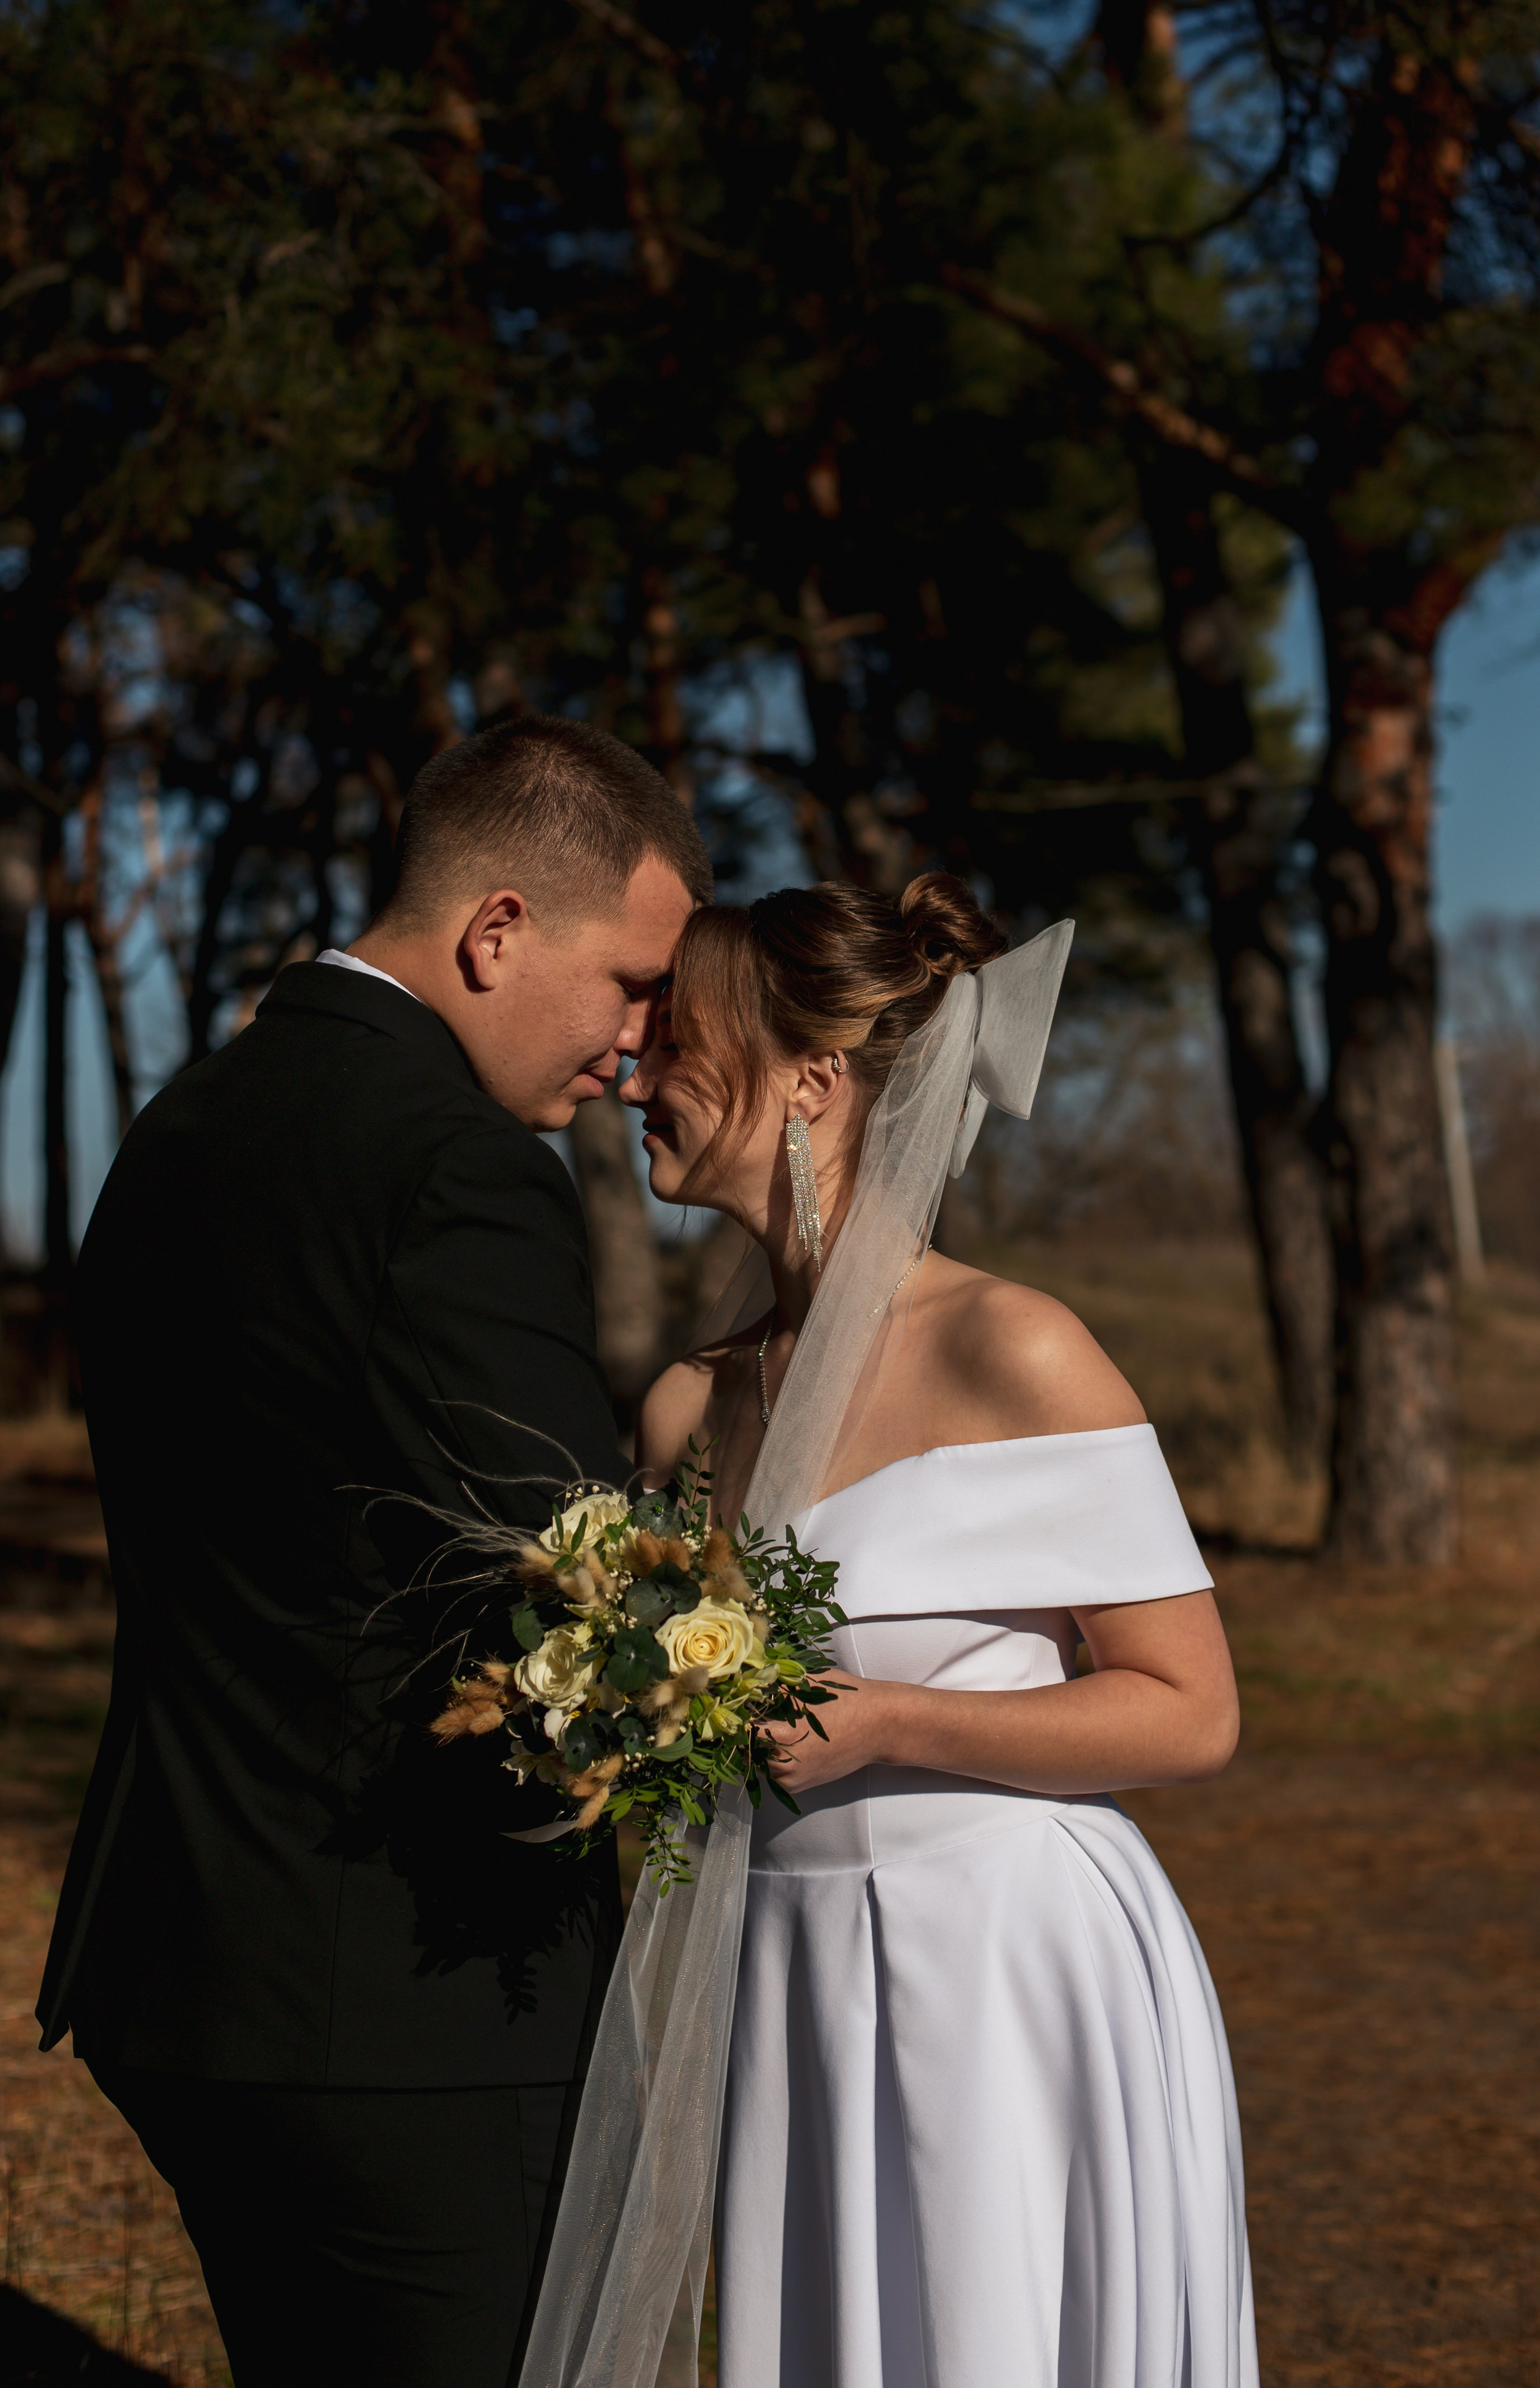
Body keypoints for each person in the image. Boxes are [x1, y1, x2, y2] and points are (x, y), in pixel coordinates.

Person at [37, 718, 710, 2388]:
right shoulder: (457, 1169)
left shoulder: (185, 1126)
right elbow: (577, 1591)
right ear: (497, 930)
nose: (638, 1046)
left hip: (181, 1957)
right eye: (631, 982)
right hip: (409, 2000)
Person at [624, 872, 1259, 2388]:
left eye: (682, 1040)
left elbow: (1188, 1710)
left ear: (813, 1081)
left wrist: (895, 1722)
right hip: (783, 1974)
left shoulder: (1011, 1348)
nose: (636, 1075)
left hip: (1008, 1967)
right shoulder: (684, 1406)